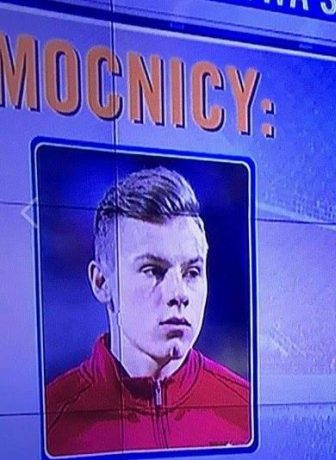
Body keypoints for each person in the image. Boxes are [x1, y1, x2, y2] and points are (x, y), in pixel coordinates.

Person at [44, 167, 251, 457]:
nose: (178, 294)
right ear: (102, 282)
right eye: (153, 270)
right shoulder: (48, 422)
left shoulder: (248, 411)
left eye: (192, 272)